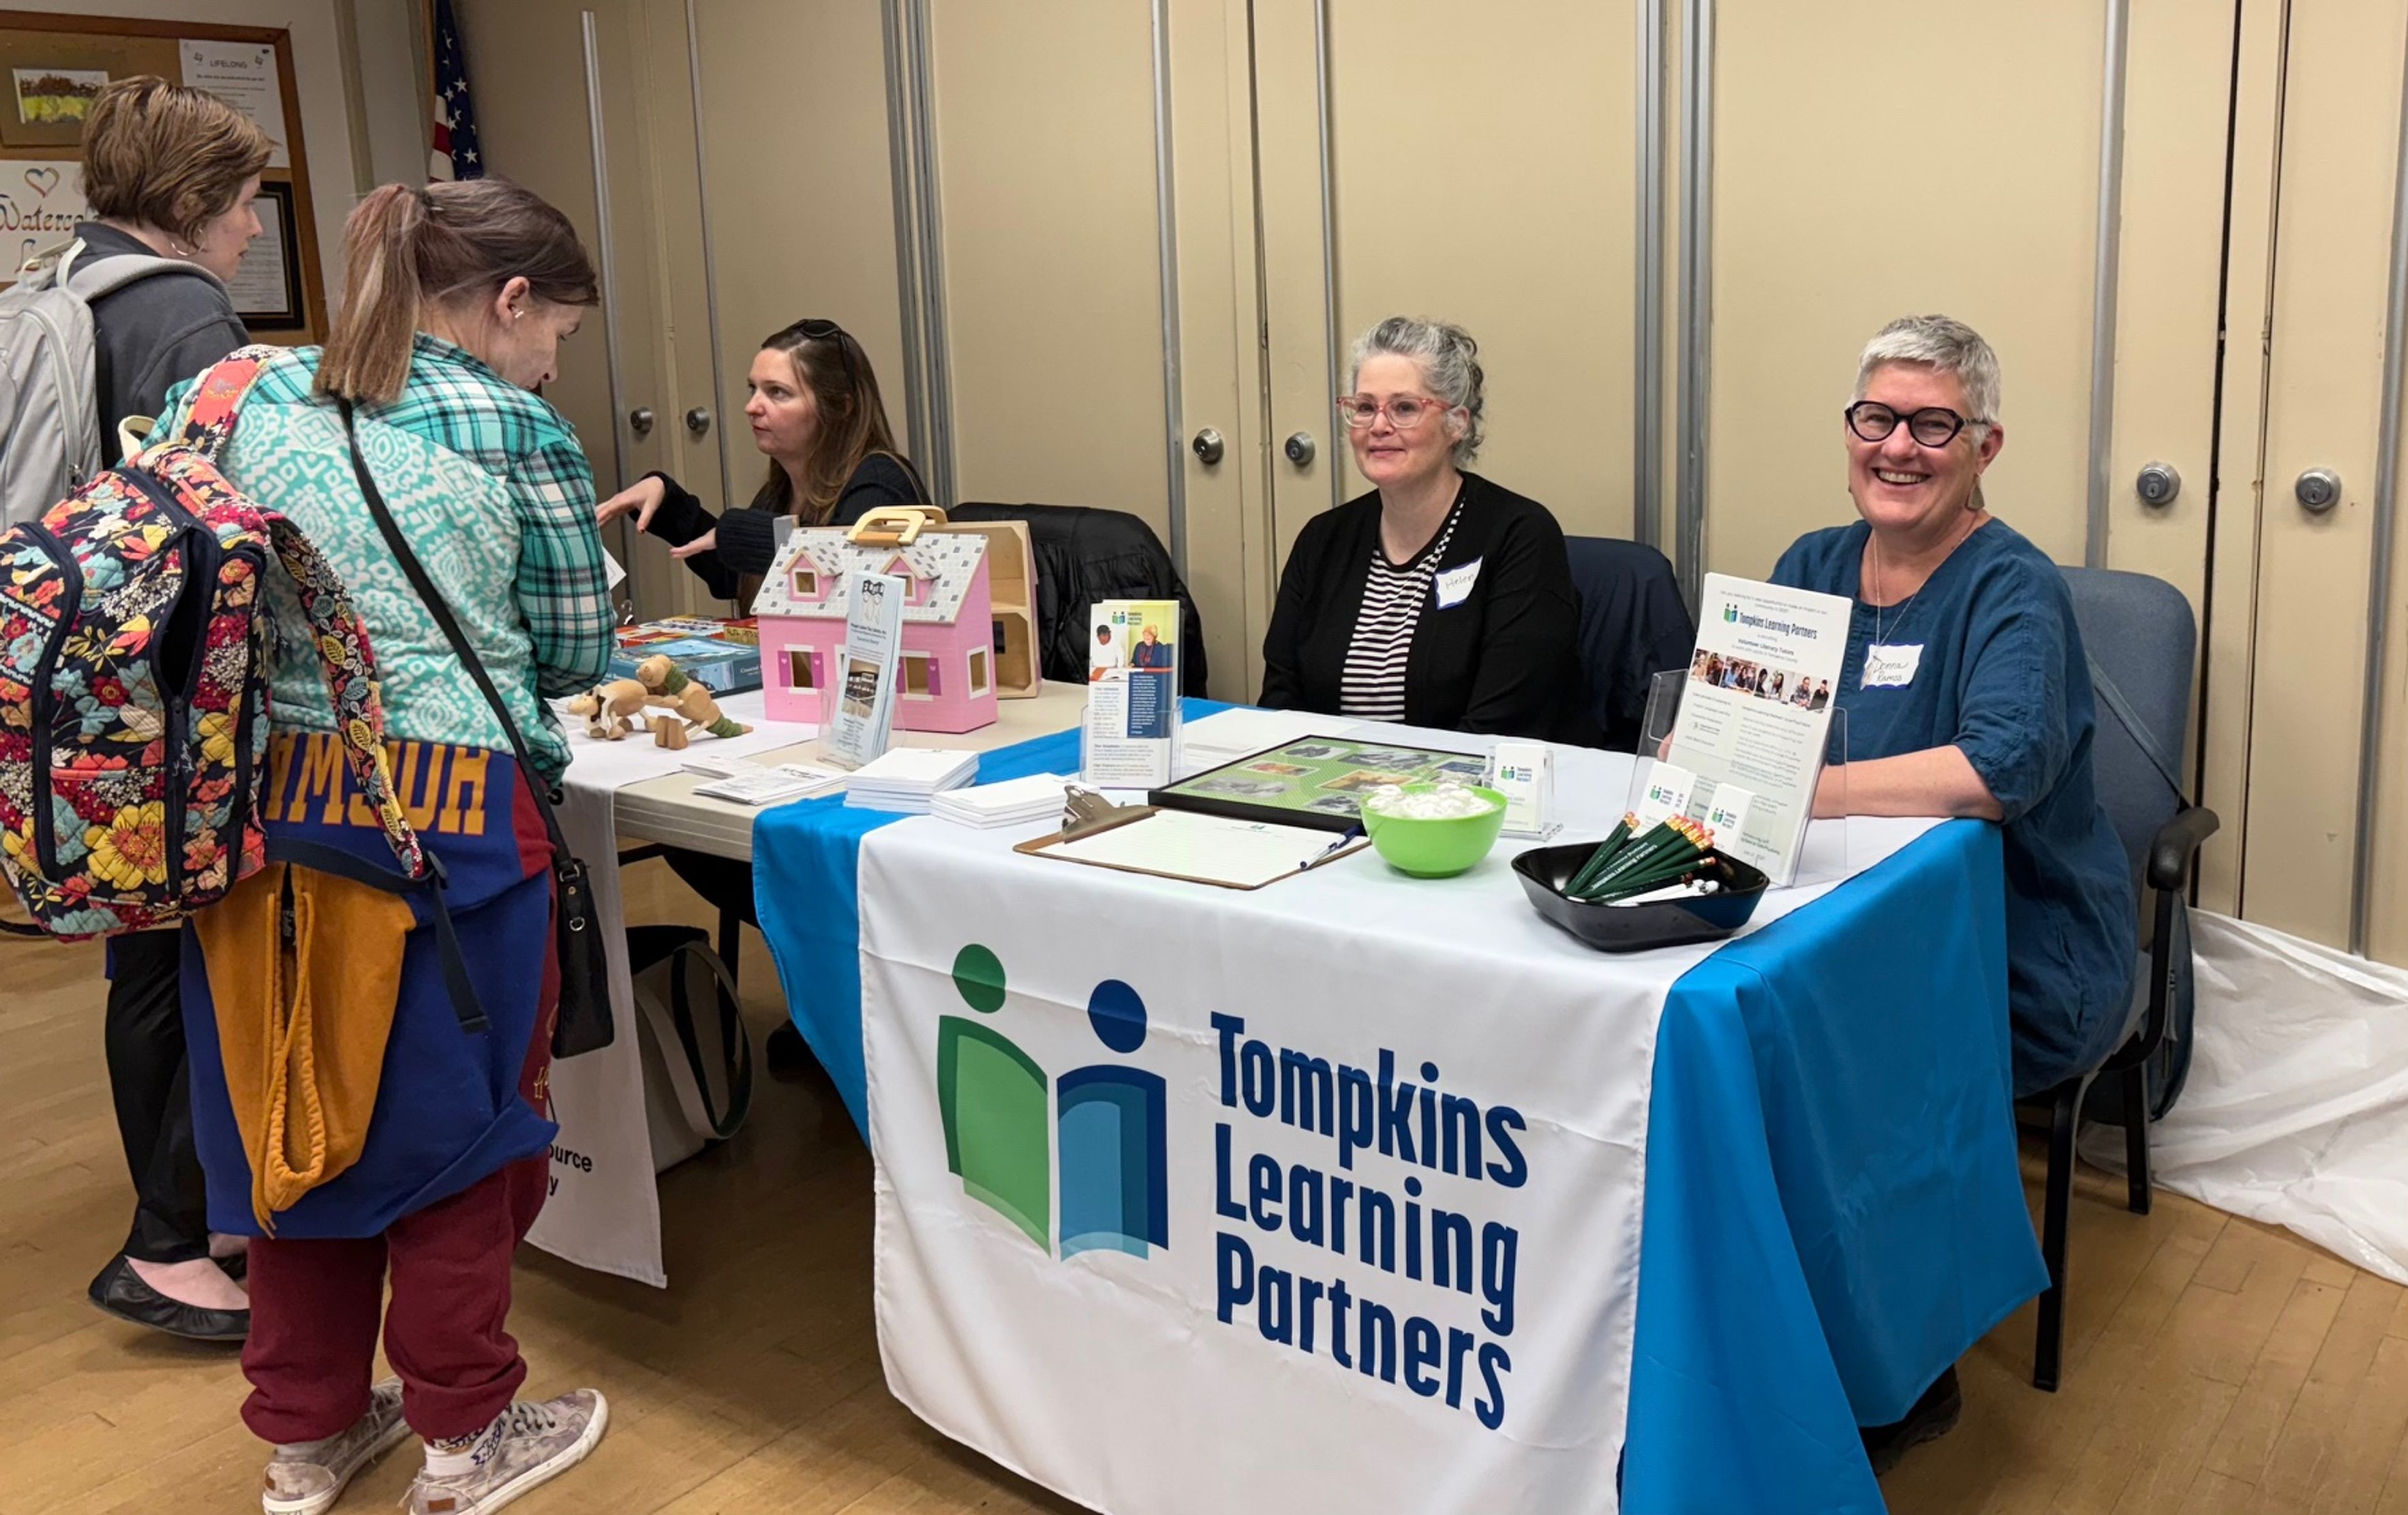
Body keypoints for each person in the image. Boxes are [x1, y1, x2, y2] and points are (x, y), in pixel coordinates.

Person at [159, 179, 614, 1515]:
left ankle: (304, 1438)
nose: (551, 365)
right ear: (511, 300)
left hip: (257, 816)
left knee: (290, 1115)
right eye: (557, 335)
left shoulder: (232, 391)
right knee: (462, 1132)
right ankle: (467, 1434)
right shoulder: (511, 423)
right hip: (453, 812)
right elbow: (577, 648)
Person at [1768, 314, 2133, 1472]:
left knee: (1849, 1061)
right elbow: (1747, 726)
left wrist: (1804, 790)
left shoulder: (2012, 587)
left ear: (1985, 447)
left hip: (2014, 951)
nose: (1899, 447)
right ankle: (1764, 1324)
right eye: (1878, 418)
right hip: (1823, 919)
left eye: (1935, 426)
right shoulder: (1809, 565)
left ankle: (1903, 1376)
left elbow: (1998, 769)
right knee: (1734, 1038)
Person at [72, 73, 273, 1344]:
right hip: (167, 687)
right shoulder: (184, 308)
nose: (251, 227)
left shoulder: (68, 286)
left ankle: (187, 1218)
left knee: (142, 949)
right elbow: (223, 508)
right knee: (188, 954)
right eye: (245, 201)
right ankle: (175, 1241)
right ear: (193, 199)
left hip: (84, 679)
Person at [1259, 316, 1587, 741]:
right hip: (1329, 776)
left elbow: (1502, 728)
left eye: (1404, 408)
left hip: (1465, 779)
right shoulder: (1323, 539)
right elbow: (1281, 704)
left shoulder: (1518, 536)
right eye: (1365, 408)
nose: (1379, 426)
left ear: (1457, 423)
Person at [595, 317, 923, 602]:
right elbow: (737, 577)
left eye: (777, 392)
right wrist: (666, 499)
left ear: (840, 407)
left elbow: (845, 573)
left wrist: (736, 534)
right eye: (753, 389)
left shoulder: (880, 479)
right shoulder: (778, 492)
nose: (752, 407)